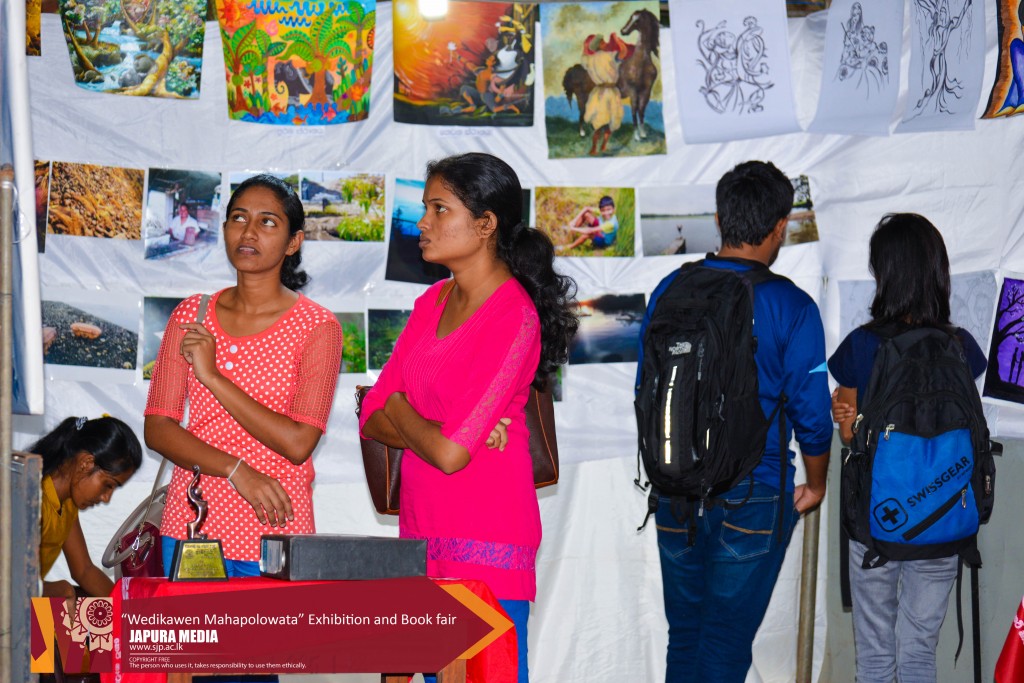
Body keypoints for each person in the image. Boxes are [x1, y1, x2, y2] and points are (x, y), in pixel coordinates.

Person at [359, 152, 577, 683]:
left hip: (486, 542)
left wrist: (401, 406)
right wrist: (434, 424)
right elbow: (370, 415)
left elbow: (450, 453)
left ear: (485, 224)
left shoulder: (513, 316)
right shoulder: (433, 300)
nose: (422, 222)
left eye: (439, 209)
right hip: (421, 532)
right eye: (424, 208)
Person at [639, 160, 833, 682]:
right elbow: (813, 416)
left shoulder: (670, 289)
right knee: (725, 644)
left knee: (685, 636)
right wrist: (816, 484)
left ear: (720, 220)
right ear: (779, 227)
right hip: (754, 492)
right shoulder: (791, 305)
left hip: (675, 489)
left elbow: (645, 388)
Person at [145, 174, 343, 579]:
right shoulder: (191, 314)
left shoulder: (318, 327)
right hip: (192, 526)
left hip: (276, 529)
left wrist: (214, 377)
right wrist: (237, 471)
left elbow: (298, 443)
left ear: (293, 242)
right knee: (192, 625)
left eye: (267, 221)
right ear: (224, 229)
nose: (249, 232)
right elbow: (158, 429)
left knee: (270, 625)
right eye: (239, 218)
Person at [828, 213, 987, 683]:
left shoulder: (861, 346)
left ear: (885, 274)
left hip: (878, 523)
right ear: (937, 272)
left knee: (876, 658)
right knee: (919, 653)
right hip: (944, 520)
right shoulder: (962, 346)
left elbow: (852, 438)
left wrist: (844, 414)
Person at [30, 415, 142, 599]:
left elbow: (84, 570)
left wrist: (129, 609)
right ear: (86, 463)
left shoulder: (66, 504)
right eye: (108, 485)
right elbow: (12, 581)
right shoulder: (31, 500)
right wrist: (57, 590)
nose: (106, 498)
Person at [581, 33, 629, 155]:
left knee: (599, 122)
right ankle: (598, 147)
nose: (605, 43)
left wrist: (585, 48)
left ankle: (598, 147)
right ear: (599, 45)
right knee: (609, 120)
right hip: (609, 93)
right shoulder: (609, 56)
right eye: (603, 42)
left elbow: (584, 57)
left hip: (599, 93)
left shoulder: (589, 59)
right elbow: (624, 51)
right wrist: (617, 39)